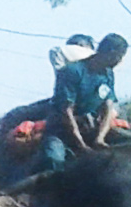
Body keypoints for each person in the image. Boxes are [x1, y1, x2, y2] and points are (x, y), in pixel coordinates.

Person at [44, 33, 126, 169]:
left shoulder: (108, 75)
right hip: (62, 131)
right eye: (119, 56)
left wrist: (100, 138)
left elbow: (108, 107)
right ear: (110, 53)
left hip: (91, 129)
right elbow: (66, 111)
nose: (119, 61)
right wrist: (81, 144)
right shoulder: (72, 71)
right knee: (54, 160)